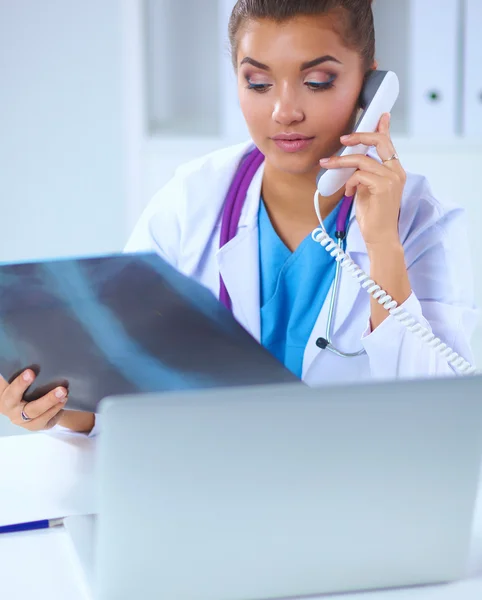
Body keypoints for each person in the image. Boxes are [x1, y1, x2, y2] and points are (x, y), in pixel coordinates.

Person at [0, 0, 477, 435]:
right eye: (258, 83)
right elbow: (119, 388)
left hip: (359, 504)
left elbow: (437, 426)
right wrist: (57, 406)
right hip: (209, 494)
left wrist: (381, 244)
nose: (284, 110)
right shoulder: (190, 201)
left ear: (370, 87)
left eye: (317, 81)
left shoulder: (423, 224)